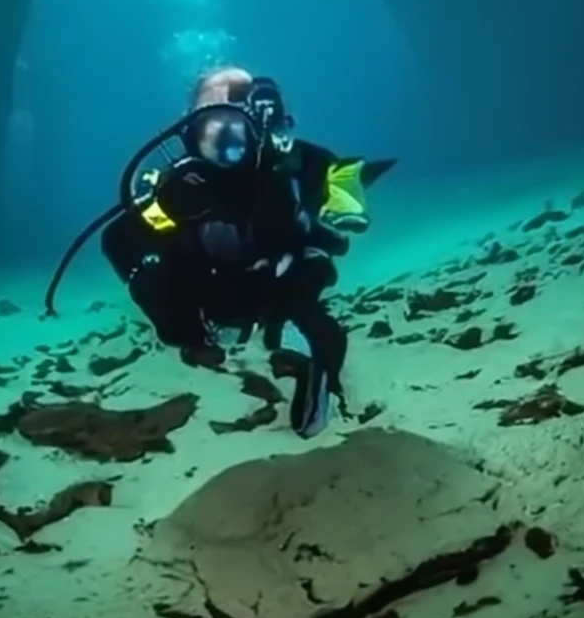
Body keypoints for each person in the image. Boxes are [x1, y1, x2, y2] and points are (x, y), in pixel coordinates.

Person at [99, 67, 395, 439]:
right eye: (211, 118)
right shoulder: (176, 185)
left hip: (282, 279)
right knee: (156, 276)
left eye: (236, 112)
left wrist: (343, 206)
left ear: (264, 117)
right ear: (190, 126)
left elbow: (340, 174)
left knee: (314, 313)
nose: (225, 130)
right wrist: (168, 230)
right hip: (212, 291)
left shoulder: (292, 163)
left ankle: (321, 384)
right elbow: (119, 240)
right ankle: (202, 337)